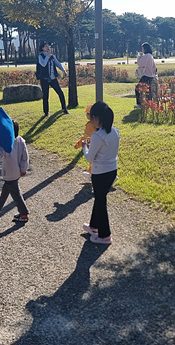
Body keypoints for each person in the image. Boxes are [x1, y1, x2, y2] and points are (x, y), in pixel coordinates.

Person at [81, 101, 119, 244]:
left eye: (91, 117)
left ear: (97, 118)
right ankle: (94, 226)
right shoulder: (115, 131)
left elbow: (89, 158)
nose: (90, 120)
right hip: (112, 171)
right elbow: (106, 150)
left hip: (100, 173)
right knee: (99, 198)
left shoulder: (97, 135)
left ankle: (105, 236)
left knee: (101, 201)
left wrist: (84, 147)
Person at [0, 120, 30, 223]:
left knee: (16, 194)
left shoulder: (4, 142)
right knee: (6, 189)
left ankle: (24, 213)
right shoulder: (20, 140)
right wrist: (23, 169)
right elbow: (25, 157)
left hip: (9, 172)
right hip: (17, 171)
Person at [37, 41, 68, 116]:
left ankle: (64, 109)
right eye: (46, 46)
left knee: (60, 93)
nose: (48, 47)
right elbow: (43, 64)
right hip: (44, 79)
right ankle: (46, 112)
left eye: (48, 46)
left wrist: (64, 70)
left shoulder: (52, 56)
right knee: (46, 96)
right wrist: (47, 56)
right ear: (42, 48)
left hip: (53, 78)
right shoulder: (40, 56)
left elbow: (58, 64)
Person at [75, 104, 98, 178]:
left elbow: (85, 137)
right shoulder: (101, 123)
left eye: (88, 113)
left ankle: (92, 175)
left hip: (93, 145)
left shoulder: (90, 125)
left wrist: (78, 144)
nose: (86, 115)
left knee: (93, 161)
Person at [134, 42, 157, 109]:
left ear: (145, 49)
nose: (142, 50)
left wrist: (139, 56)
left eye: (143, 49)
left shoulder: (147, 56)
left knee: (138, 88)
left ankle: (140, 104)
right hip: (151, 76)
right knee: (148, 91)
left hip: (146, 76)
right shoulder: (150, 56)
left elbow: (139, 63)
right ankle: (149, 104)